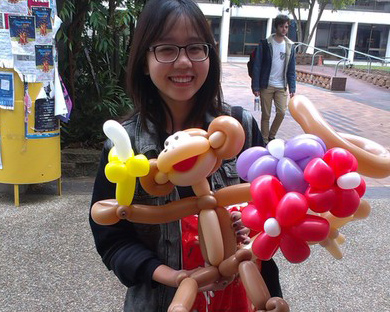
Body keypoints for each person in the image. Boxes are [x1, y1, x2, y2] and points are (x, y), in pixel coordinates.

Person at [89, 0, 282, 311]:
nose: (183, 62)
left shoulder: (240, 128)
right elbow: (113, 240)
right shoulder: (125, 150)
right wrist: (179, 279)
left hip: (247, 296)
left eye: (195, 48)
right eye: (166, 49)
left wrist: (255, 232)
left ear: (210, 54)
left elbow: (274, 206)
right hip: (165, 301)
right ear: (144, 60)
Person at [251, 14, 296, 145]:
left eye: (286, 27)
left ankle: (271, 135)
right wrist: (256, 87)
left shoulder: (289, 46)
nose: (284, 29)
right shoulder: (265, 44)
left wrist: (292, 88)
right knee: (266, 115)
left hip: (281, 85)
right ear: (276, 26)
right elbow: (257, 66)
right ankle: (264, 140)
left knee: (281, 112)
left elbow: (291, 69)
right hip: (267, 85)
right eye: (281, 26)